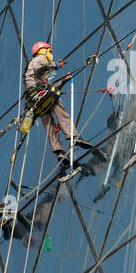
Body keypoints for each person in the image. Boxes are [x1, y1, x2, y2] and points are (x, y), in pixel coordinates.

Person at [24, 42, 105, 178]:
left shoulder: (34, 73)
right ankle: (73, 137)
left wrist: (64, 81)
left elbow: (45, 83)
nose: (50, 55)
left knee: (49, 124)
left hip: (34, 100)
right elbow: (40, 67)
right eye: (49, 52)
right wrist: (56, 65)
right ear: (44, 50)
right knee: (59, 108)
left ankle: (59, 151)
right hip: (40, 94)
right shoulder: (39, 59)